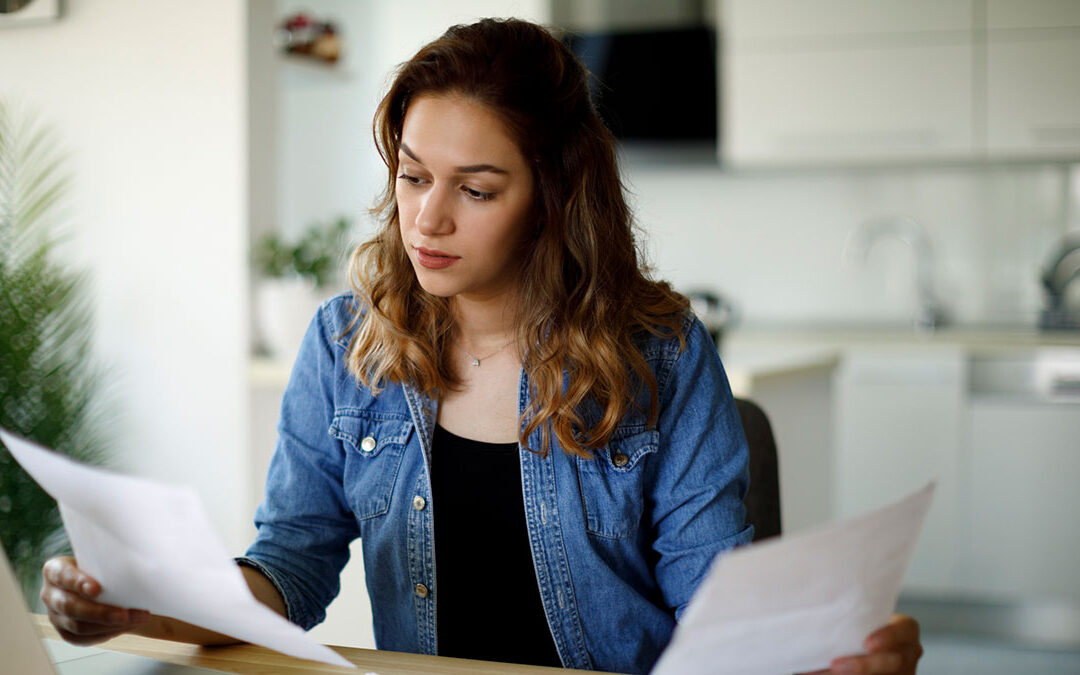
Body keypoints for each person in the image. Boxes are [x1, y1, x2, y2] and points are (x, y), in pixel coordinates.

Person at [40, 17, 923, 675]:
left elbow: (719, 612)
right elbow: (290, 567)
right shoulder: (347, 346)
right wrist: (147, 606)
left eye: (477, 188)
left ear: (553, 196)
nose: (427, 217)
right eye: (413, 175)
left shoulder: (661, 354)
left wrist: (831, 654)